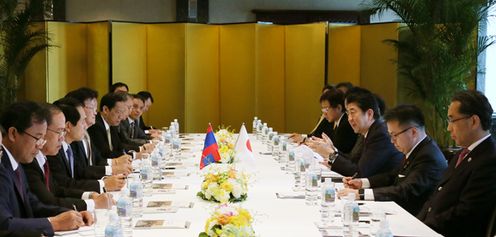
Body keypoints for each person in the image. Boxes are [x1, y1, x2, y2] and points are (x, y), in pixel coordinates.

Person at [0, 102, 93, 235]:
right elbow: (4, 225)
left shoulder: (16, 162)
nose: (40, 145)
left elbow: (33, 205)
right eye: (37, 138)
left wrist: (72, 215)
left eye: (43, 138)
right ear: (13, 134)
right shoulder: (2, 166)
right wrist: (54, 223)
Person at [338, 105, 447, 215]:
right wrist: (362, 183)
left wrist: (360, 194)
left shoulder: (428, 156)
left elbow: (405, 191)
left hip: (414, 218)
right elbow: (391, 176)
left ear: (413, 132)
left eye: (394, 135)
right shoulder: (416, 149)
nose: (392, 141)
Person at [417, 90, 496, 237]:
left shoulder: (490, 159)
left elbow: (466, 213)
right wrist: (416, 224)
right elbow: (436, 196)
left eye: (452, 120)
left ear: (473, 121)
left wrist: (423, 229)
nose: (448, 128)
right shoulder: (462, 153)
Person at [23, 104, 114, 211]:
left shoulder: (44, 158)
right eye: (59, 131)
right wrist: (92, 204)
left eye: (63, 131)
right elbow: (48, 201)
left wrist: (89, 195)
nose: (62, 137)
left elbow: (57, 190)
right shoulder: (29, 162)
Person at [309, 87, 403, 177]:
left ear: (369, 114)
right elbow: (353, 159)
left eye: (353, 112)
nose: (349, 119)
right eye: (348, 113)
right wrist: (332, 149)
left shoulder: (380, 134)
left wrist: (330, 155)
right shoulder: (367, 130)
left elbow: (359, 173)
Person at [48, 98, 126, 193]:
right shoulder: (53, 150)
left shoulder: (68, 146)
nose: (85, 126)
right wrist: (103, 184)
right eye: (82, 121)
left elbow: (81, 171)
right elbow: (64, 184)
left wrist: (107, 177)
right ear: (68, 126)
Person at [65, 88, 132, 179]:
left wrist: (115, 163)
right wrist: (112, 170)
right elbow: (80, 171)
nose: (95, 113)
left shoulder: (86, 133)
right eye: (92, 108)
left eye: (95, 109)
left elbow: (97, 158)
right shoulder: (74, 135)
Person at [87, 92, 129, 158]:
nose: (121, 117)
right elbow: (105, 154)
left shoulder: (112, 124)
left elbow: (120, 147)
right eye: (118, 112)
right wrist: (131, 155)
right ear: (105, 110)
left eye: (122, 112)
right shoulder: (95, 126)